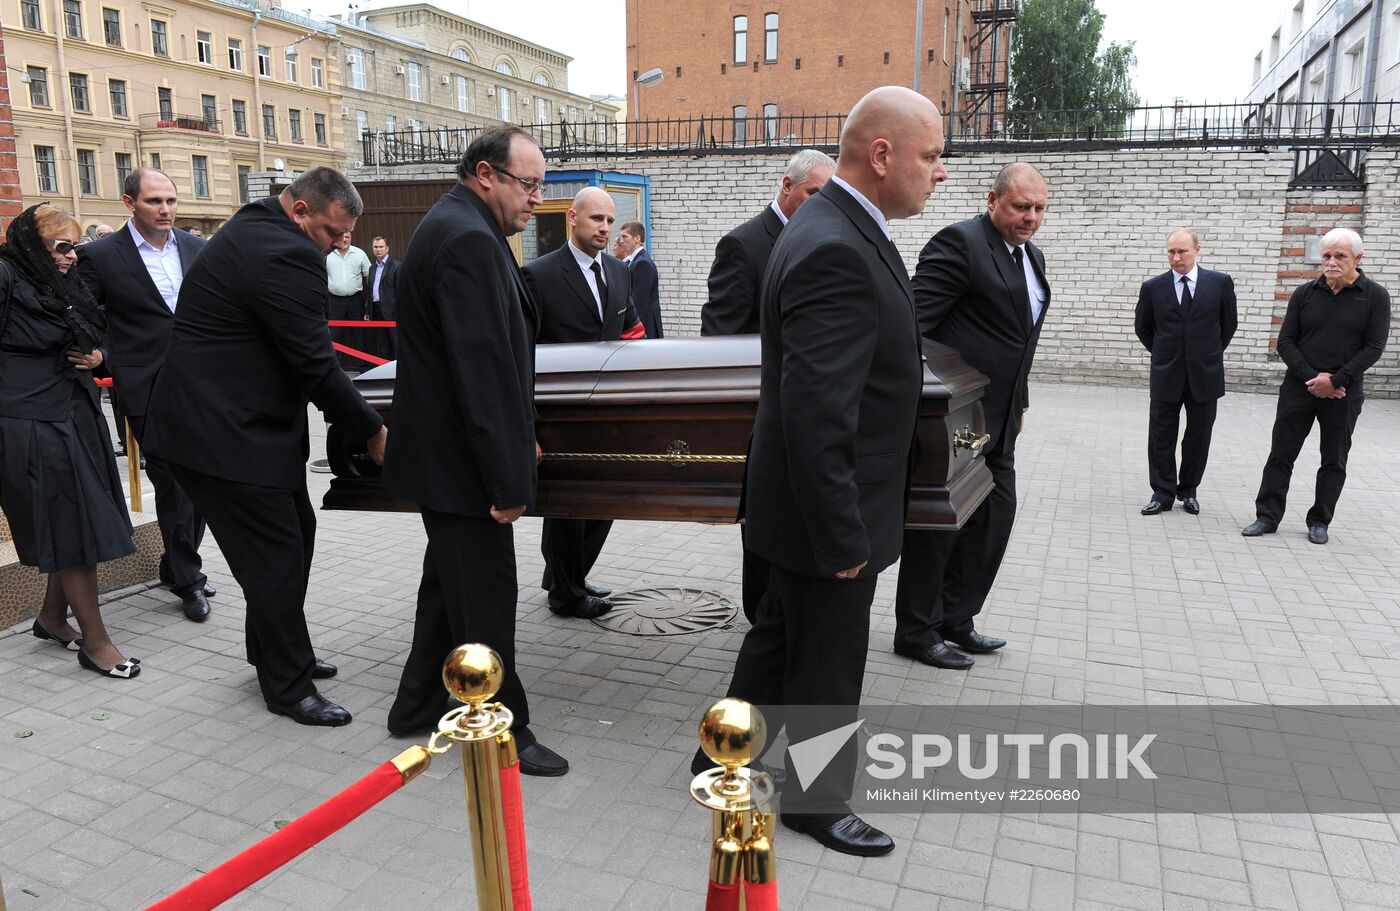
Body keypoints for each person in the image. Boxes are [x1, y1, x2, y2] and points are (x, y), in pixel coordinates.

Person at [708, 86, 948, 857]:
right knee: (827, 657)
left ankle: (721, 753)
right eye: (931, 155)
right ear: (882, 156)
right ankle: (815, 802)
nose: (940, 173)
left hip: (804, 503)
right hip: (829, 511)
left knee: (782, 638)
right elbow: (818, 412)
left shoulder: (835, 224)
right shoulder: (836, 244)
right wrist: (846, 533)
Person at [143, 167, 387, 726]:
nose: (335, 246)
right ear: (300, 211)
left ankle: (276, 651)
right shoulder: (286, 252)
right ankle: (287, 686)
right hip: (224, 435)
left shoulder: (256, 223)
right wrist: (372, 428)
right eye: (330, 233)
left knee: (293, 537)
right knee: (276, 556)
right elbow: (315, 361)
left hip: (225, 426)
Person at [382, 125, 569, 777]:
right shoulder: (466, 238)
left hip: (445, 458)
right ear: (486, 174)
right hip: (463, 465)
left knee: (448, 586)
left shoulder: (461, 225)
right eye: (528, 184)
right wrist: (508, 479)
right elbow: (483, 369)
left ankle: (414, 704)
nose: (535, 199)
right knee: (485, 598)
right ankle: (504, 733)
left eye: (541, 186)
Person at [893, 162, 1050, 671]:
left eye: (1038, 208)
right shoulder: (959, 244)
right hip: (956, 418)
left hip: (1000, 416)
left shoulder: (1032, 257)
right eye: (1020, 206)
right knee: (942, 522)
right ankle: (916, 630)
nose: (1030, 217)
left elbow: (1020, 341)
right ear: (993, 199)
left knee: (992, 518)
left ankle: (956, 619)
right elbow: (914, 327)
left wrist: (1019, 400)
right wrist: (933, 401)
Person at [0, 204, 140, 678]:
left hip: (75, 410)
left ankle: (51, 617)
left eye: (75, 247)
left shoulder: (60, 280)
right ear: (33, 246)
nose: (72, 256)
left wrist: (100, 354)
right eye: (62, 247)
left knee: (78, 517)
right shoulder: (5, 276)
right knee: (73, 522)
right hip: (31, 419)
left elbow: (101, 329)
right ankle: (96, 643)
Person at [76, 168, 216, 623]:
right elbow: (88, 317)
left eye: (171, 201)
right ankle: (189, 578)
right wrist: (105, 356)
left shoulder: (198, 248)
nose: (166, 210)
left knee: (205, 479)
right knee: (173, 479)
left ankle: (176, 564)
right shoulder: (99, 256)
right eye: (155, 201)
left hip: (201, 384)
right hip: (145, 384)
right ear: (129, 202)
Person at [523, 188, 645, 620]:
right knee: (567, 506)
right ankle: (567, 593)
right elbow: (523, 350)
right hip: (559, 413)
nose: (605, 229)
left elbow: (631, 331)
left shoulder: (618, 270)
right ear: (572, 217)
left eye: (611, 221)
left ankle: (565, 575)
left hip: (607, 412)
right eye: (597, 219)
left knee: (607, 500)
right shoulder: (537, 274)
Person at [1243, 227, 1390, 545]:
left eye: (1340, 256)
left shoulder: (1375, 296)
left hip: (1343, 393)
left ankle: (1319, 521)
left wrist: (1335, 381)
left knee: (1334, 460)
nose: (1332, 262)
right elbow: (1285, 341)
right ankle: (1267, 516)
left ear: (1358, 258)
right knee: (1281, 454)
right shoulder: (1304, 294)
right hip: (1300, 388)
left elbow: (1374, 347)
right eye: (1326, 256)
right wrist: (1314, 379)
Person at [1134, 228, 1238, 516]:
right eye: (1171, 252)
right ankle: (1162, 492)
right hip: (1167, 373)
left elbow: (1228, 325)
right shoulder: (1153, 287)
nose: (1176, 257)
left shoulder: (1219, 283)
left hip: (1205, 374)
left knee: (1198, 436)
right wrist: (1165, 353)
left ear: (1197, 250)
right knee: (1161, 436)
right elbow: (1143, 328)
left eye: (1182, 251)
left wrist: (1207, 353)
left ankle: (1188, 490)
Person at [701, 148, 836, 336]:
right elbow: (720, 339)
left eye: (828, 198)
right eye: (814, 193)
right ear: (788, 186)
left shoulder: (822, 241)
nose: (822, 205)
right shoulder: (741, 246)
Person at [326, 231, 371, 369]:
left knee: (359, 334)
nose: (345, 240)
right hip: (334, 301)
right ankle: (335, 368)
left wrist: (368, 301)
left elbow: (370, 275)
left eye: (348, 237)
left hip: (355, 301)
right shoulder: (327, 255)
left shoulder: (359, 253)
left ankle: (363, 367)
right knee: (334, 335)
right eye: (342, 237)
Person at [612, 221, 663, 338]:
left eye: (625, 237)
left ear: (637, 238)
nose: (621, 241)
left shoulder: (642, 263)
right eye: (620, 237)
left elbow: (639, 304)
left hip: (646, 329)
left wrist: (633, 333)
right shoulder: (636, 261)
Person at [367, 235, 400, 361]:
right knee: (382, 345)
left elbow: (399, 290)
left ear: (387, 249)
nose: (378, 249)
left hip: (392, 311)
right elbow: (370, 290)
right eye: (375, 247)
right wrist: (368, 311)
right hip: (376, 310)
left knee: (396, 343)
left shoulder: (396, 266)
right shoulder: (372, 268)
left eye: (381, 247)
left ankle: (399, 373)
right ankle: (384, 373)